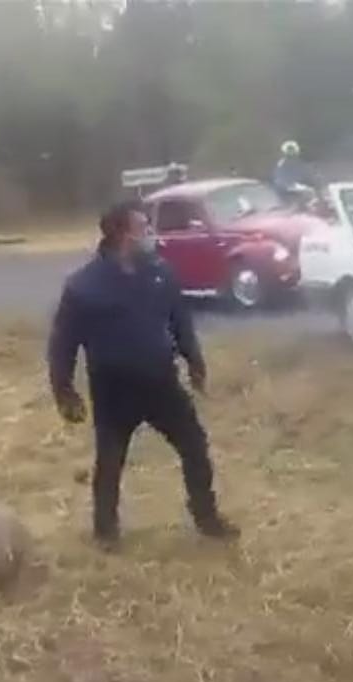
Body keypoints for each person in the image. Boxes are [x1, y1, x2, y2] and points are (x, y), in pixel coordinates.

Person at [47, 201, 239, 551]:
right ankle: (106, 533)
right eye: (143, 227)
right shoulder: (83, 286)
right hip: (114, 387)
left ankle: (207, 518)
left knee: (194, 445)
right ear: (121, 233)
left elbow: (179, 319)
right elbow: (63, 342)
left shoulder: (160, 272)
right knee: (110, 459)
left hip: (161, 381)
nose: (150, 233)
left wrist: (194, 360)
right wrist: (64, 390)